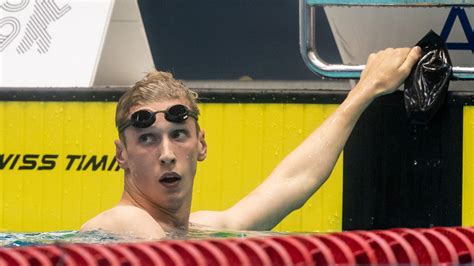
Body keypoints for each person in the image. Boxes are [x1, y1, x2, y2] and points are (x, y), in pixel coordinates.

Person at [80, 47, 422, 239]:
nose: (167, 155)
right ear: (122, 154)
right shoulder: (123, 223)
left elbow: (294, 181)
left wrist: (366, 89)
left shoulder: (203, 228)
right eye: (147, 140)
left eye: (178, 134)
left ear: (201, 145)